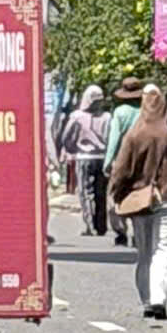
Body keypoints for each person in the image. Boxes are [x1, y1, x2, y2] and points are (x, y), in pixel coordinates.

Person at [107, 85, 167, 320]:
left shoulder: (134, 136)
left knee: (145, 253)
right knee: (165, 249)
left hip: (139, 202)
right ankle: (159, 299)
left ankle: (147, 300)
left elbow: (120, 170)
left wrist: (114, 196)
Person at [59, 85, 111, 237]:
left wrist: (72, 149)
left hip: (84, 157)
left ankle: (89, 225)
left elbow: (66, 137)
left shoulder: (77, 117)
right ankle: (101, 225)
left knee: (85, 192)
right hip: (101, 157)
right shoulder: (107, 117)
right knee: (101, 193)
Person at [102, 78, 146, 246]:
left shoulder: (120, 112)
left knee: (115, 196)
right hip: (142, 160)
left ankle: (121, 231)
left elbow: (113, 139)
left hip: (122, 160)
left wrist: (108, 162)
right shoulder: (145, 111)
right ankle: (138, 231)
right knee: (138, 194)